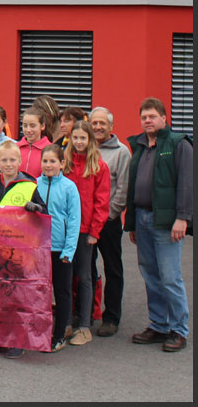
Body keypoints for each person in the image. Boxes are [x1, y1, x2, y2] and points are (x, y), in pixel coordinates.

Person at [125, 97, 192, 353]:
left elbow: (187, 183)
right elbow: (134, 186)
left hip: (166, 223)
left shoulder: (178, 144)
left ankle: (178, 330)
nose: (148, 121)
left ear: (164, 118)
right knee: (150, 274)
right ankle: (159, 324)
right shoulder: (140, 146)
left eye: (152, 116)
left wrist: (182, 218)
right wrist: (132, 223)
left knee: (170, 277)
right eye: (144, 117)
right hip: (141, 219)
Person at [0, 140, 47, 359]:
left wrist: (35, 208)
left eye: (12, 160)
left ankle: (17, 339)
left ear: (19, 161)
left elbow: (44, 216)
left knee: (17, 297)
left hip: (20, 255)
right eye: (4, 160)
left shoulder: (30, 187)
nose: (8, 164)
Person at [63, 120, 110, 347]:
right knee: (66, 276)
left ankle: (84, 325)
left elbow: (102, 202)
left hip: (84, 232)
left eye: (83, 138)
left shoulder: (99, 166)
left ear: (90, 140)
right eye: (75, 138)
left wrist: (94, 231)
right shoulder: (66, 163)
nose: (79, 142)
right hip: (64, 230)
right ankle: (67, 322)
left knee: (84, 277)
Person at [89, 106, 132, 337]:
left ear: (111, 127)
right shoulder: (85, 147)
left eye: (102, 123)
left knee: (112, 269)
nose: (97, 127)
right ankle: (86, 313)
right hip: (87, 221)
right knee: (86, 268)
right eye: (94, 123)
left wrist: (107, 216)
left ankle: (112, 317)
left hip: (108, 222)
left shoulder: (121, 152)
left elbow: (123, 190)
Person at [37, 144, 81, 352]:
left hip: (60, 248)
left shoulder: (69, 187)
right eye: (45, 161)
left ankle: (59, 334)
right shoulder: (34, 184)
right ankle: (41, 331)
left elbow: (74, 220)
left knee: (62, 292)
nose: (48, 165)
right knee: (40, 292)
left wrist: (69, 251)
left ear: (62, 163)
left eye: (53, 161)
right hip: (39, 248)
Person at [17, 106, 52, 179]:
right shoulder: (15, 148)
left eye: (32, 126)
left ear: (42, 126)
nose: (28, 130)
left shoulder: (50, 150)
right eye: (25, 125)